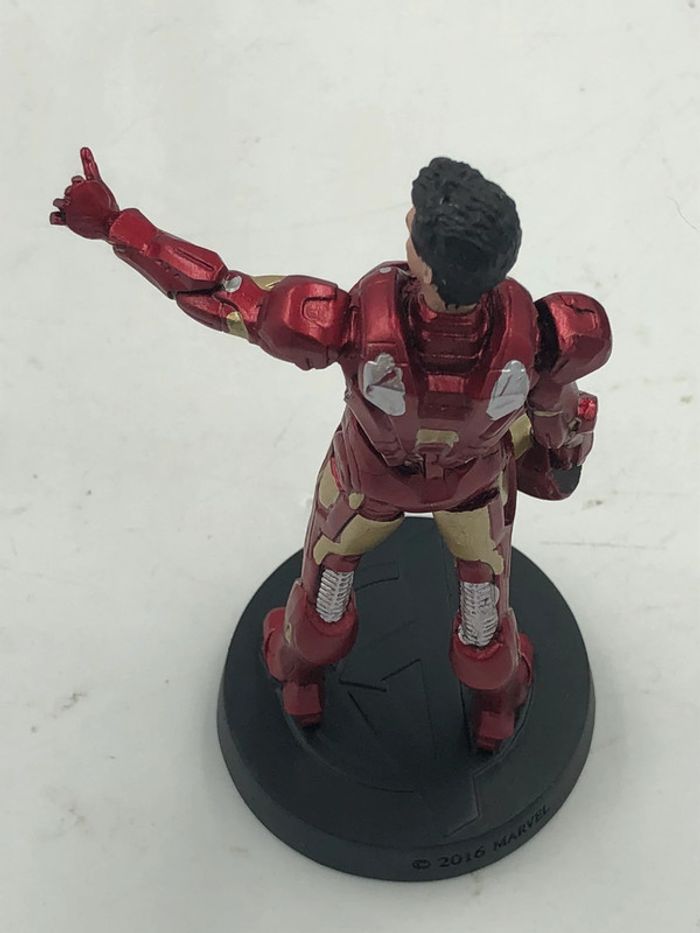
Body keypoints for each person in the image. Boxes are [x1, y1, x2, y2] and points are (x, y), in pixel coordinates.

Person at [51, 149, 611, 750]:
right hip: (472, 489)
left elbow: (220, 293)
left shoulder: (348, 322)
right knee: (483, 602)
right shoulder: (543, 335)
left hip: (367, 482)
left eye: (415, 224)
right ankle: (496, 703)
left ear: (424, 265)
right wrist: (561, 451)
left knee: (327, 581)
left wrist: (118, 226)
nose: (406, 223)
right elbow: (555, 415)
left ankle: (300, 678)